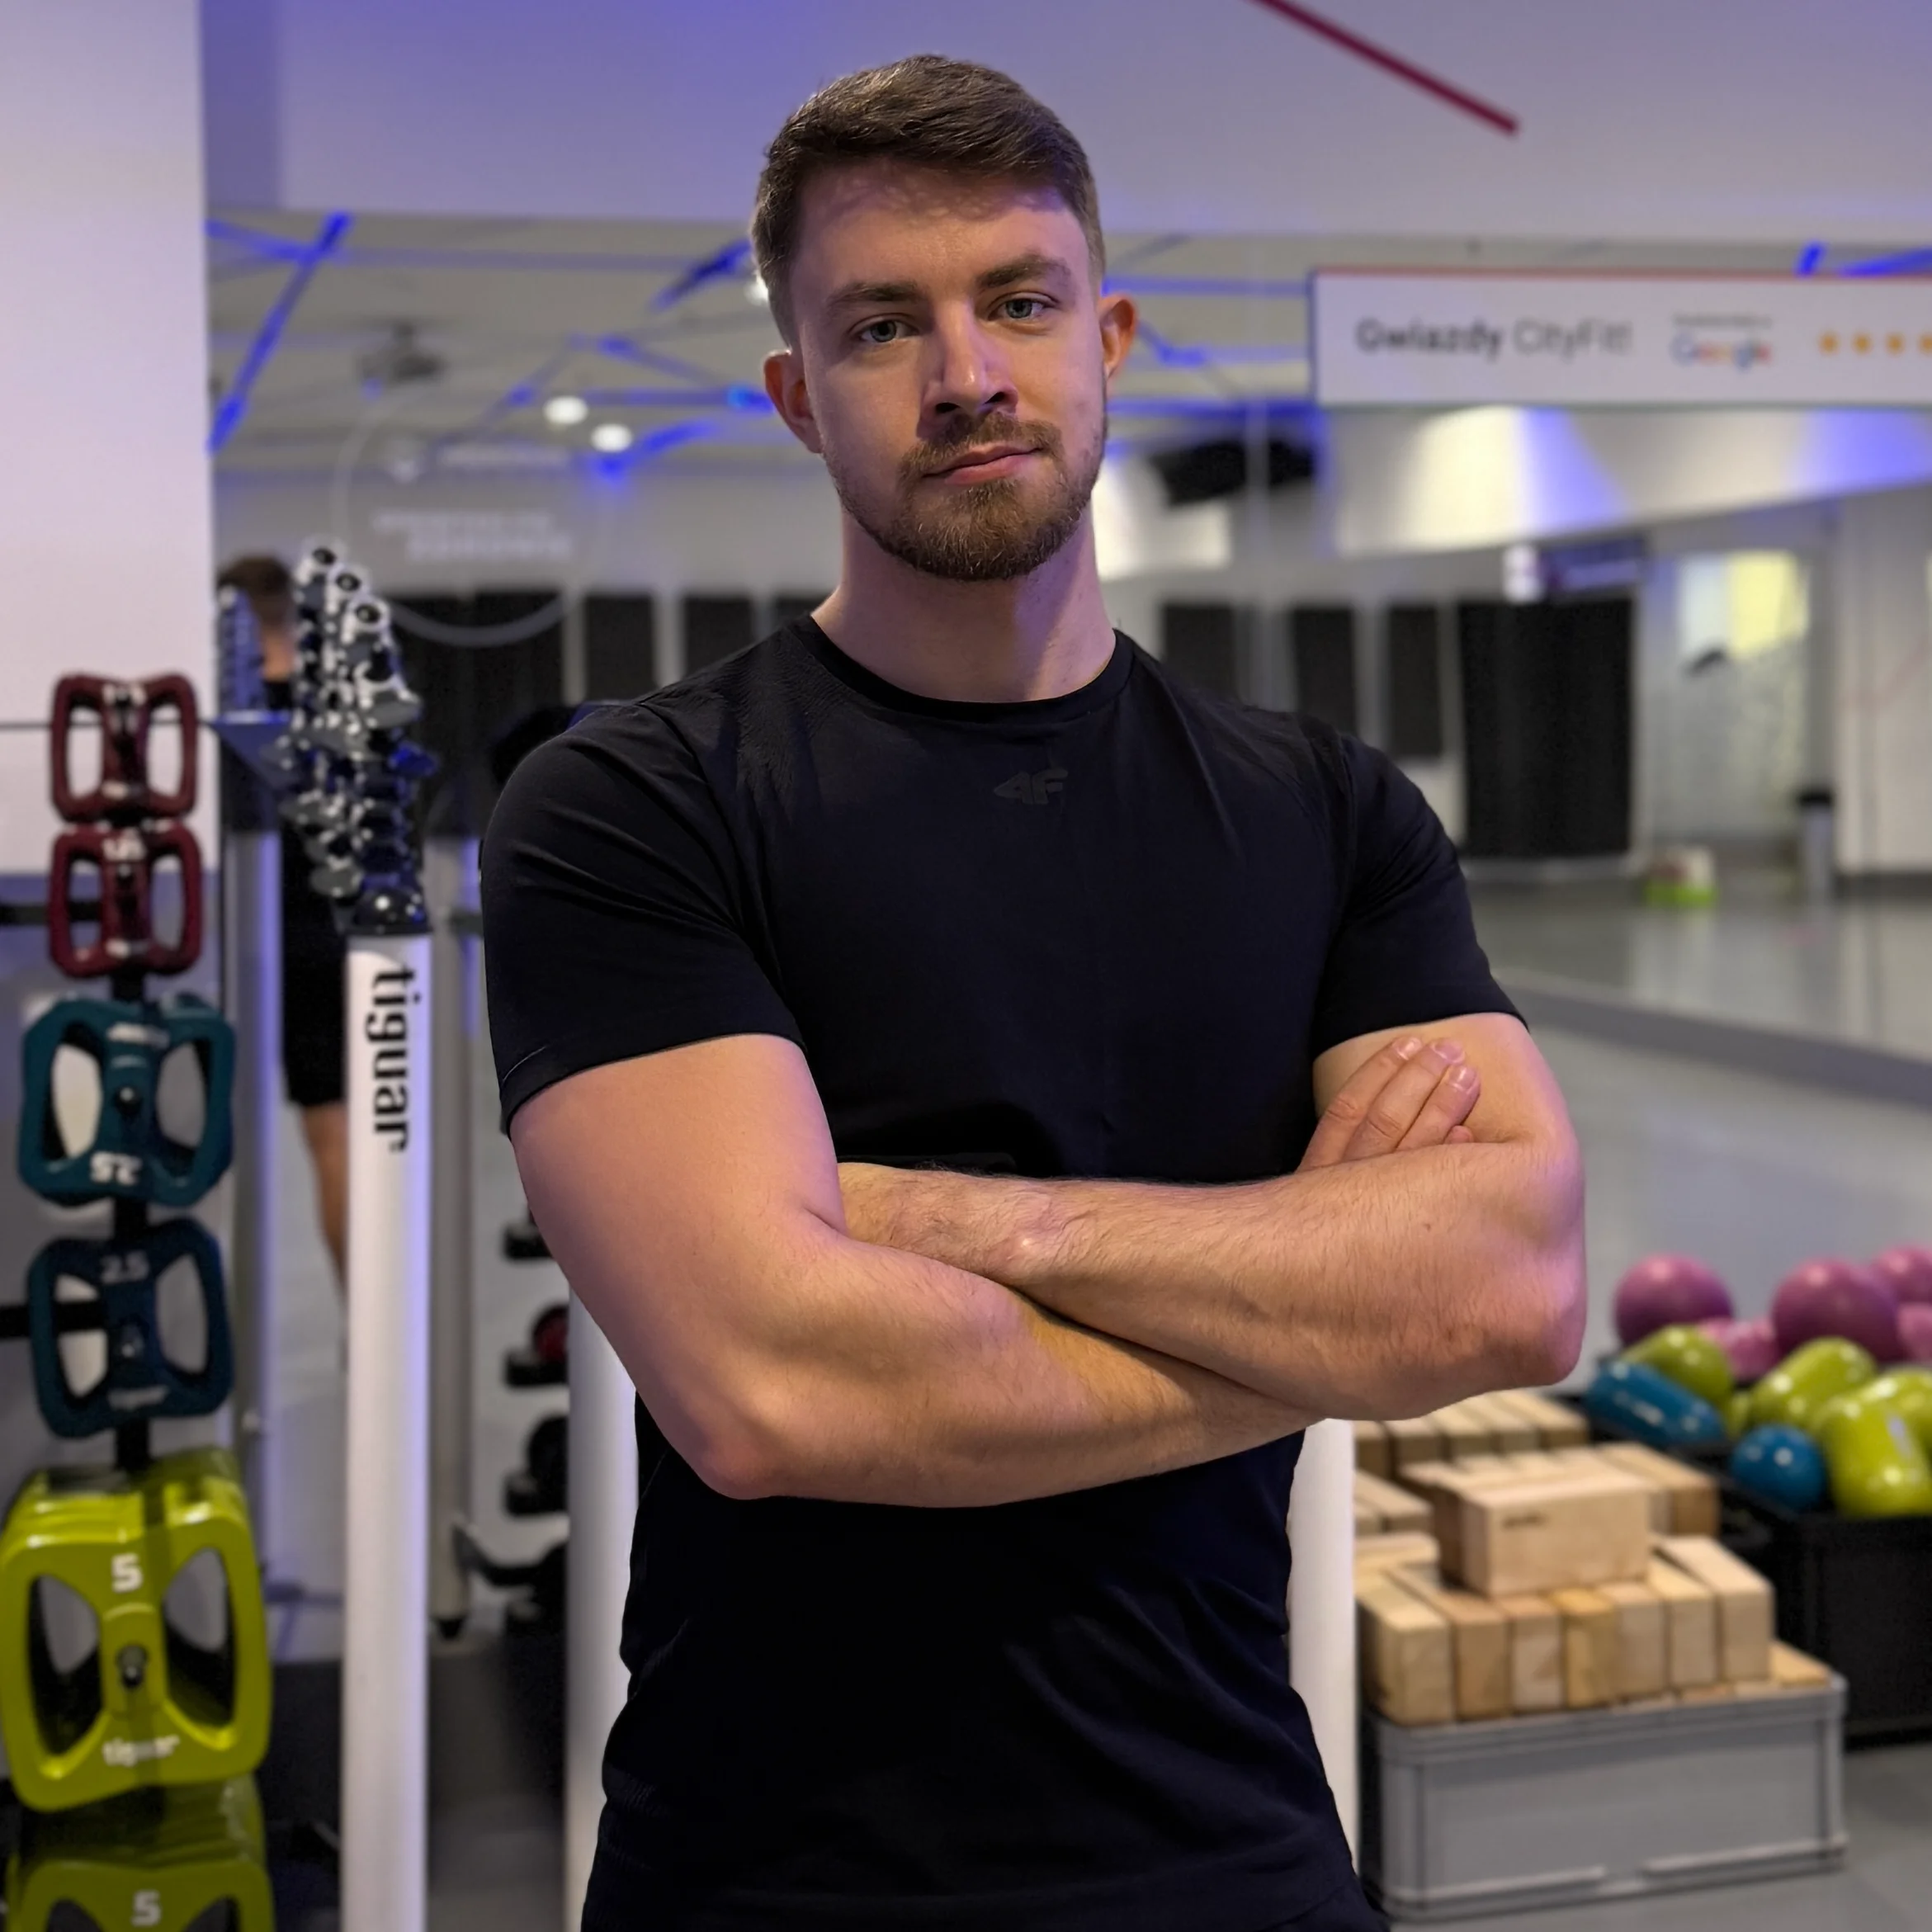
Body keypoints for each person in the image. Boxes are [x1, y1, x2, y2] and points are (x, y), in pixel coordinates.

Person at [482, 54, 1585, 1932]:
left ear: (1108, 339)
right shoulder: (635, 804)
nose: (964, 373)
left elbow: (1509, 1284)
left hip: (1244, 1856)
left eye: (1017, 300)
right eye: (880, 325)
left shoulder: (1325, 811)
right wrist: (1314, 1311)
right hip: (778, 1879)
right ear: (795, 397)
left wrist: (933, 1220)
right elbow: (772, 1388)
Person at [217, 554, 349, 1287]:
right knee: (342, 1138)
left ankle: (361, 1320)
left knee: (323, 1136)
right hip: (329, 931)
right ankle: (366, 1322)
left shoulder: (225, 711)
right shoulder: (336, 702)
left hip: (264, 936)